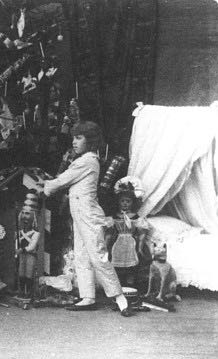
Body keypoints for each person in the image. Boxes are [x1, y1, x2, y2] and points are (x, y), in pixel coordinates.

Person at [43, 121, 132, 317]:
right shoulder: (84, 159)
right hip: (80, 214)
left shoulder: (88, 161)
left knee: (97, 255)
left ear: (90, 141)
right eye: (74, 137)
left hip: (89, 215)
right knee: (81, 255)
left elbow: (62, 180)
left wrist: (45, 186)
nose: (74, 141)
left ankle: (119, 298)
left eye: (79, 137)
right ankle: (88, 296)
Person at [105, 176, 150, 287]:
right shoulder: (115, 216)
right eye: (123, 201)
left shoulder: (135, 217)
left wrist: (140, 245)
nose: (125, 203)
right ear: (119, 202)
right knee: (116, 261)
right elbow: (109, 232)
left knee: (133, 261)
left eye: (128, 201)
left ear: (132, 202)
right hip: (118, 242)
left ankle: (131, 283)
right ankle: (119, 283)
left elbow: (142, 232)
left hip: (131, 242)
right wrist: (106, 245)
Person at [15, 200, 40, 298]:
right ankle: (21, 291)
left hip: (30, 256)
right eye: (23, 213)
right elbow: (17, 243)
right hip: (21, 256)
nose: (25, 217)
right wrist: (16, 251)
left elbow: (32, 246)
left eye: (28, 214)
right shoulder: (20, 232)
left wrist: (22, 250)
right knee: (21, 274)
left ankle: (28, 293)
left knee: (29, 274)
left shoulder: (36, 234)